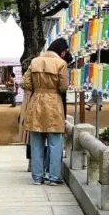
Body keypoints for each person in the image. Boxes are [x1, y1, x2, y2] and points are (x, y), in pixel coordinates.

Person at [22, 37, 70, 185]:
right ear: (61, 51)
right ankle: (54, 177)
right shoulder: (61, 64)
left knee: (36, 141)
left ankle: (37, 177)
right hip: (54, 103)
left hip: (36, 101)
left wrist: (38, 89)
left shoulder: (35, 61)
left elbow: (25, 83)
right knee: (55, 142)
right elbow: (63, 87)